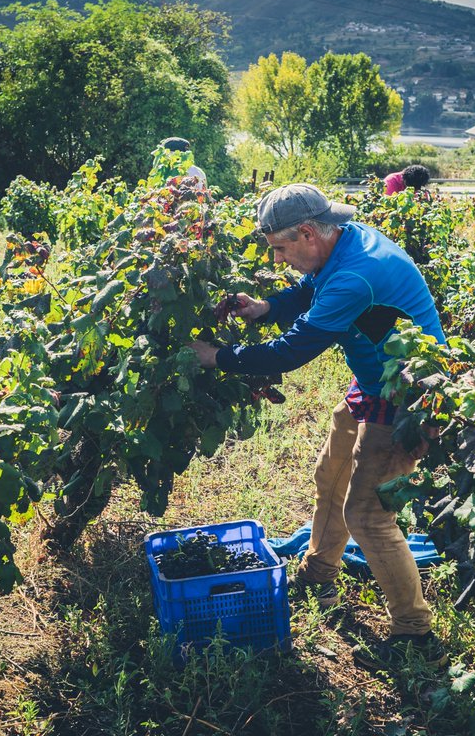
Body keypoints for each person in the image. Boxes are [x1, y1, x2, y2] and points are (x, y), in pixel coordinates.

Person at [188, 183, 448, 670]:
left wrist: (217, 357)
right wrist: (267, 308)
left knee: (367, 515)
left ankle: (415, 635)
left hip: (404, 399)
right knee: (331, 476)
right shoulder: (344, 240)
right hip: (373, 380)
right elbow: (312, 287)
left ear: (308, 233)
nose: (278, 258)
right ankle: (319, 573)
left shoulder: (355, 276)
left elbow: (292, 351)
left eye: (280, 248)